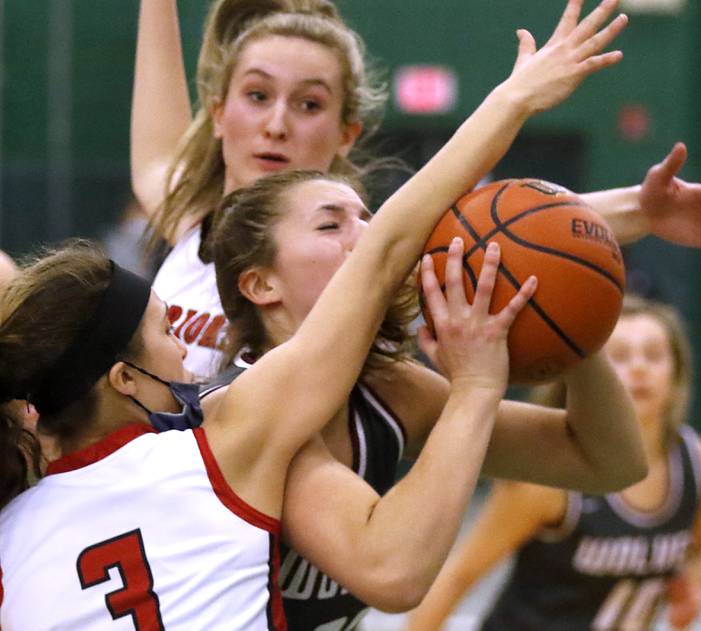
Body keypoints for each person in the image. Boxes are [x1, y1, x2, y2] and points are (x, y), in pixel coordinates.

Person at [0, 12, 636, 628]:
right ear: (259, 283)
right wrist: (513, 101)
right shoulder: (231, 419)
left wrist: (572, 316)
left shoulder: (387, 390)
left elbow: (606, 462)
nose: (364, 235)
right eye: (333, 224)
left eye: (365, 217)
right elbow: (393, 571)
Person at [131, 0, 701, 380]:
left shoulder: (360, 253)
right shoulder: (190, 214)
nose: (276, 123)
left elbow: (495, 230)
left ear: (347, 131)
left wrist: (640, 206)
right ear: (217, 112)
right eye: (257, 96)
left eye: (308, 104)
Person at [405, 296, 701, 631]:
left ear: (677, 374)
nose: (638, 368)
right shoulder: (549, 481)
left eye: (653, 355)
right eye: (619, 356)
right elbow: (458, 576)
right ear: (591, 379)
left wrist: (692, 587)